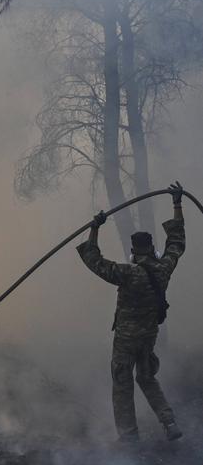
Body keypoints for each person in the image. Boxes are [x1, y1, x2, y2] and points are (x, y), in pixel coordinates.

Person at [76, 182, 185, 442]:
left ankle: (129, 437)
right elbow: (176, 242)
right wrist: (177, 203)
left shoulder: (127, 273)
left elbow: (94, 261)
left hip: (126, 341)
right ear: (152, 249)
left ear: (134, 251)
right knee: (147, 379)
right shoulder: (163, 268)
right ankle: (169, 422)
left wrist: (94, 229)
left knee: (122, 384)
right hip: (148, 337)